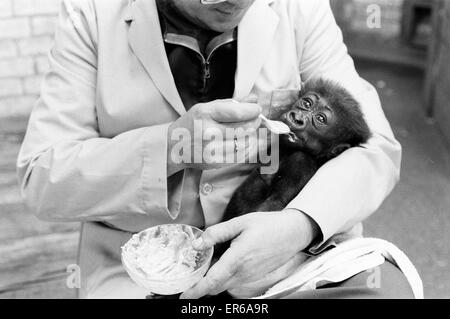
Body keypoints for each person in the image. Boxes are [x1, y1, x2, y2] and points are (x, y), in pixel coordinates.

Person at [17, 0, 413, 298]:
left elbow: (375, 147)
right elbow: (42, 178)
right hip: (148, 270)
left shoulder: (299, 8)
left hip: (291, 259)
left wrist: (298, 225)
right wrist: (170, 148)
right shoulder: (92, 14)